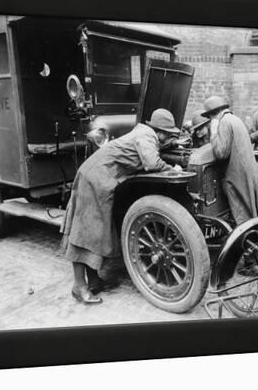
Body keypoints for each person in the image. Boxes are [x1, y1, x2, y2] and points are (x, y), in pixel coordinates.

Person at [61, 108, 180, 305]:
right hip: (93, 179)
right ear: (160, 131)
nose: (168, 138)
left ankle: (94, 280)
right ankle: (78, 287)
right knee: (84, 233)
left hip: (99, 177)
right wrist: (173, 169)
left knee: (96, 232)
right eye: (168, 135)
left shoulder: (143, 132)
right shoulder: (146, 136)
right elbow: (151, 163)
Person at [202, 96, 258, 225]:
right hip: (249, 174)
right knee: (254, 214)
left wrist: (214, 132)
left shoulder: (224, 122)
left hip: (238, 177)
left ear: (213, 115)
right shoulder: (236, 119)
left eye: (210, 118)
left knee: (244, 219)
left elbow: (221, 153)